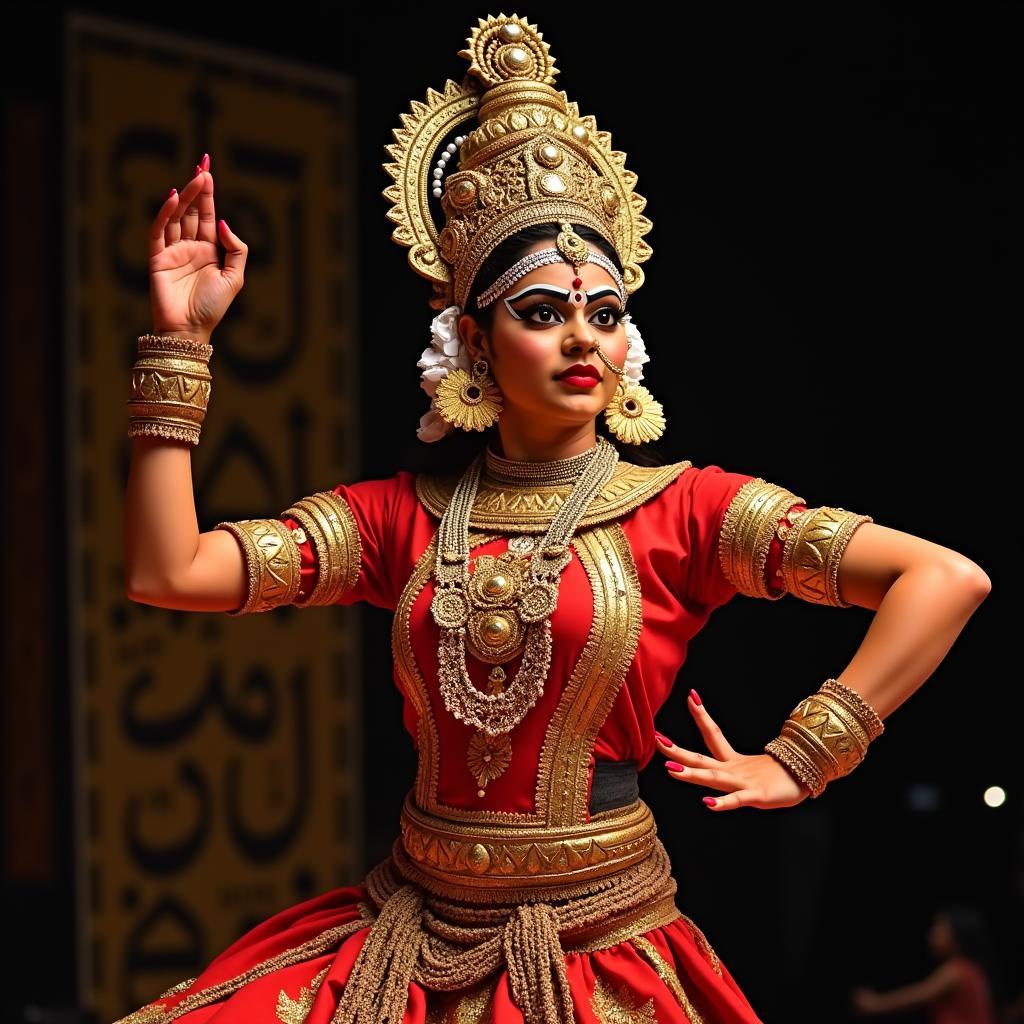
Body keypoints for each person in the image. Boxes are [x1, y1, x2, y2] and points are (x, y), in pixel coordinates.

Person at [118, 14, 992, 1024]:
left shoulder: (687, 511)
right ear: (475, 340)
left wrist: (804, 755)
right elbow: (167, 571)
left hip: (600, 944)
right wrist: (178, 344)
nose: (582, 335)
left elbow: (946, 577)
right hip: (409, 931)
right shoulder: (399, 518)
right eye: (542, 311)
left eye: (605, 311)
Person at [851, 905, 999, 1022]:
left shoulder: (956, 971)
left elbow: (917, 995)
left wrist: (876, 1004)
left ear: (959, 937)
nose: (932, 934)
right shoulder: (974, 971)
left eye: (940, 929)